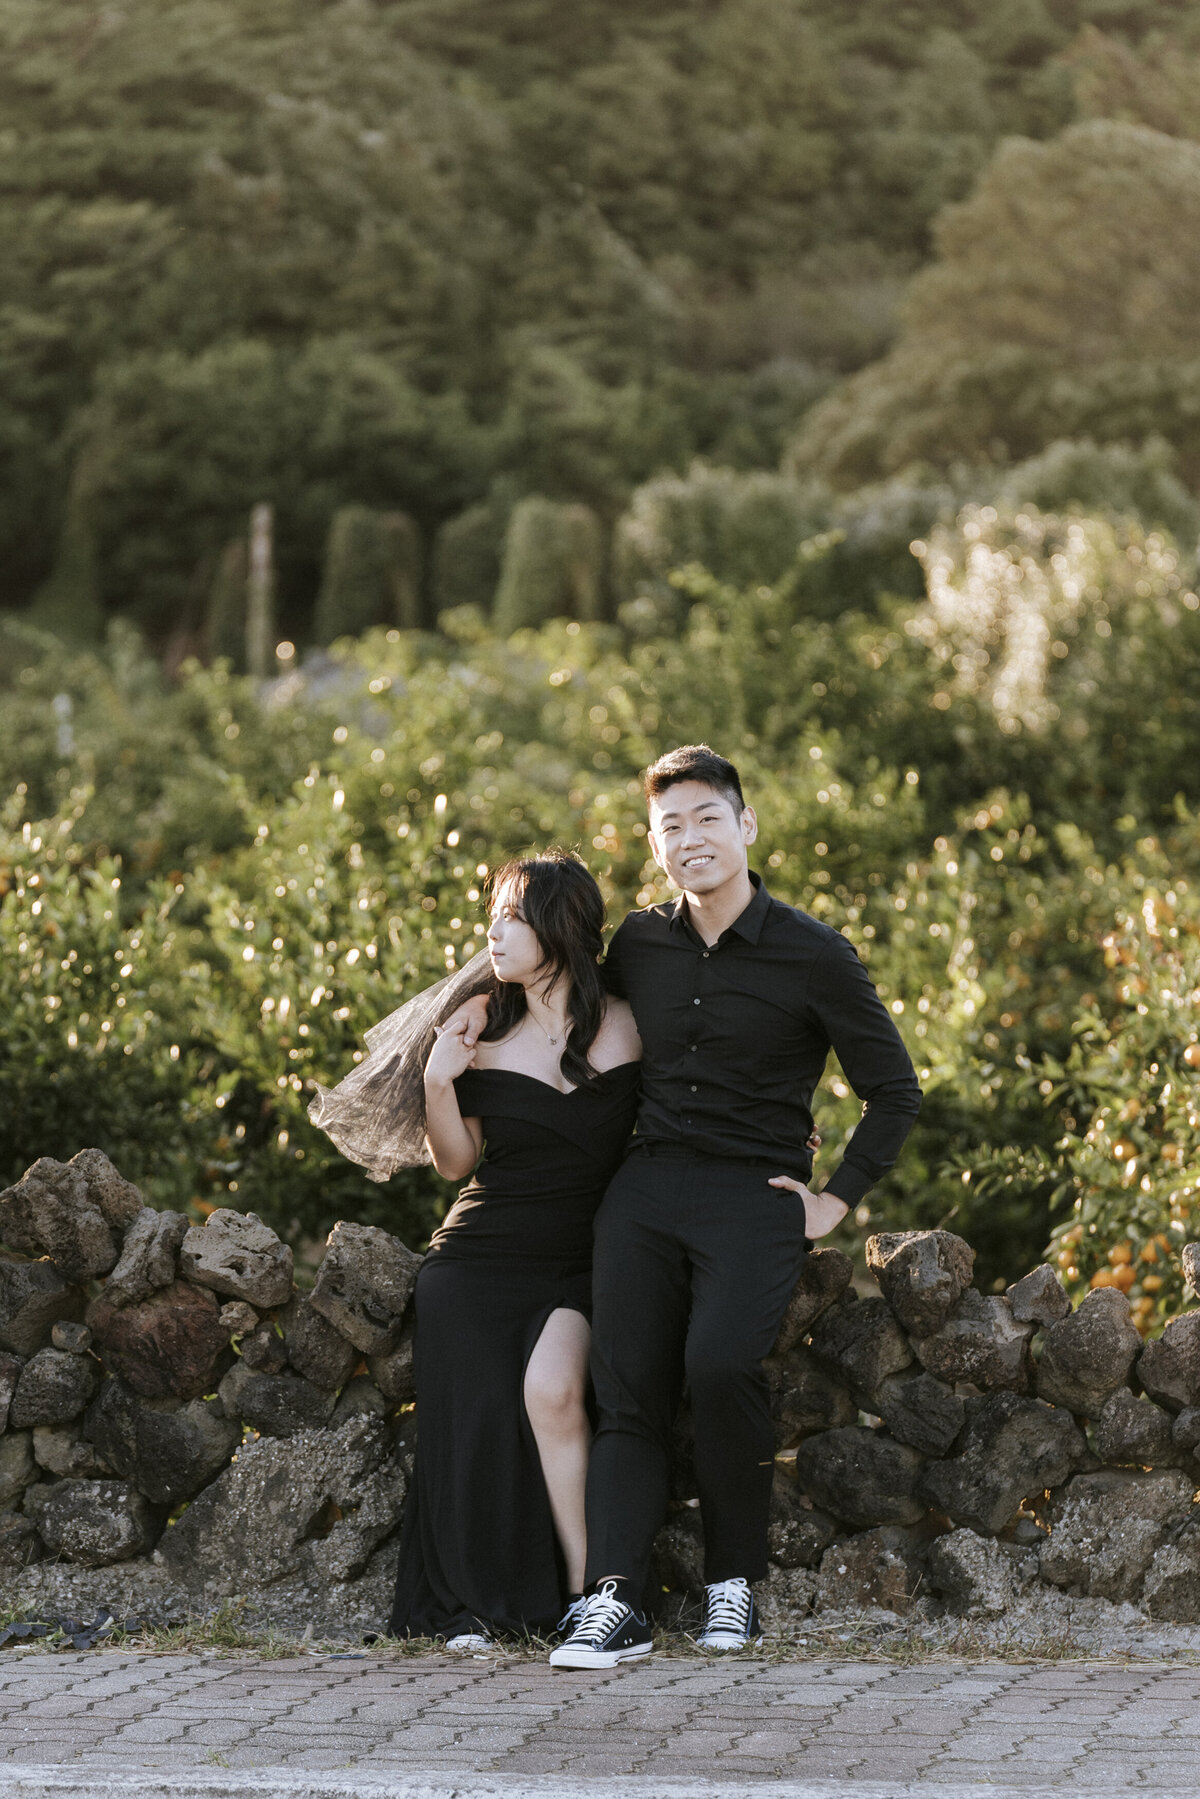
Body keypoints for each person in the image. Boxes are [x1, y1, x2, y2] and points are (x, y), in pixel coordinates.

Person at [454, 745, 922, 1667]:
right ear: (656, 845)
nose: (690, 838)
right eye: (670, 826)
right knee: (626, 1389)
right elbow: (559, 989)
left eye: (708, 817)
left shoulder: (816, 954)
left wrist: (834, 1202)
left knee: (717, 1366)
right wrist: (476, 1017)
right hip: (646, 1189)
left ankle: (733, 1586)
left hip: (755, 1195)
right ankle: (615, 1598)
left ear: (746, 826)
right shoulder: (640, 943)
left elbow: (895, 1088)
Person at [312, 850, 640, 1649]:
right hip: (478, 1255)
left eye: (513, 916)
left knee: (555, 1392)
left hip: (588, 1254)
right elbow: (458, 1163)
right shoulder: (479, 1027)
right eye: (491, 913)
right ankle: (474, 1599)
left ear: (560, 927)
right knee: (478, 1422)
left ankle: (588, 1595)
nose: (494, 931)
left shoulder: (633, 1021)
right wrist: (438, 1081)